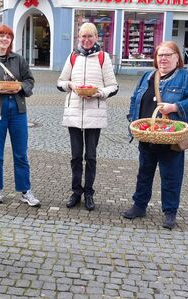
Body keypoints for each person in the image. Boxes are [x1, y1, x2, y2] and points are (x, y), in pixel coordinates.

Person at [122, 41, 188, 229]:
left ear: (177, 58)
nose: (163, 59)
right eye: (160, 55)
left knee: (171, 176)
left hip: (170, 137)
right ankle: (139, 205)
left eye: (168, 55)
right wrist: (132, 119)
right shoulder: (148, 75)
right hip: (148, 134)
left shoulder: (185, 76)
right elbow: (135, 98)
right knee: (144, 173)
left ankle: (170, 212)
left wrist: (175, 107)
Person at [57, 22, 118, 211]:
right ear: (78, 38)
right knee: (76, 156)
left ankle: (89, 193)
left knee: (90, 156)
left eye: (90, 36)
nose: (86, 40)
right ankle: (76, 191)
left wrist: (99, 92)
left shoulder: (103, 57)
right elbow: (61, 81)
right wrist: (70, 86)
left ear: (96, 38)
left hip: (94, 113)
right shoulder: (73, 56)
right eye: (83, 36)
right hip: (74, 112)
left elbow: (113, 86)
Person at [0, 24, 40, 207]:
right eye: (1, 36)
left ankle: (25, 190)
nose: (5, 39)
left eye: (8, 37)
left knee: (21, 153)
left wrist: (21, 87)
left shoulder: (18, 60)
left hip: (18, 110)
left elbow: (29, 80)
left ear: (11, 40)